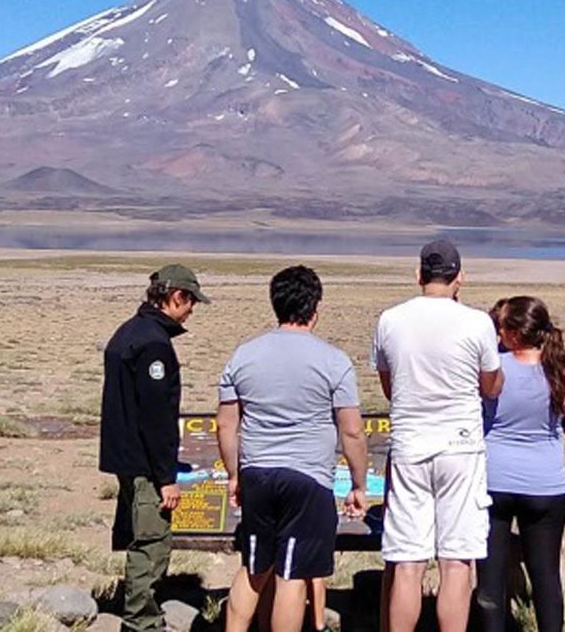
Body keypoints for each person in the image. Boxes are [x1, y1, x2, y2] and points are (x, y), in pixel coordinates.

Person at [217, 265, 370, 632]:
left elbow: (226, 423)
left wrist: (235, 474)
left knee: (254, 568)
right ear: (315, 308)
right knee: (292, 575)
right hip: (308, 478)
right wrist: (359, 485)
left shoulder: (243, 355)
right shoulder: (334, 360)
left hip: (256, 473)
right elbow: (352, 432)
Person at [372, 240, 504, 632]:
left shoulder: (390, 320)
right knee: (457, 561)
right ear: (460, 277)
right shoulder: (478, 322)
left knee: (407, 563)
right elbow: (491, 385)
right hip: (461, 448)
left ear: (418, 275)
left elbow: (388, 385)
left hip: (411, 444)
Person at [99, 264, 209, 632]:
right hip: (145, 464)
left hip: (126, 458)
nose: (192, 309)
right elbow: (156, 418)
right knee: (151, 541)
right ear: (176, 297)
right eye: (191, 301)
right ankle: (142, 620)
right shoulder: (154, 345)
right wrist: (166, 477)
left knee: (139, 535)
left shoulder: (129, 332)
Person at [476, 296, 565, 632]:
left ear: (511, 333)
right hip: (547, 485)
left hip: (492, 480)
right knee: (546, 576)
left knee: (490, 579)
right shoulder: (563, 371)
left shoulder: (491, 371)